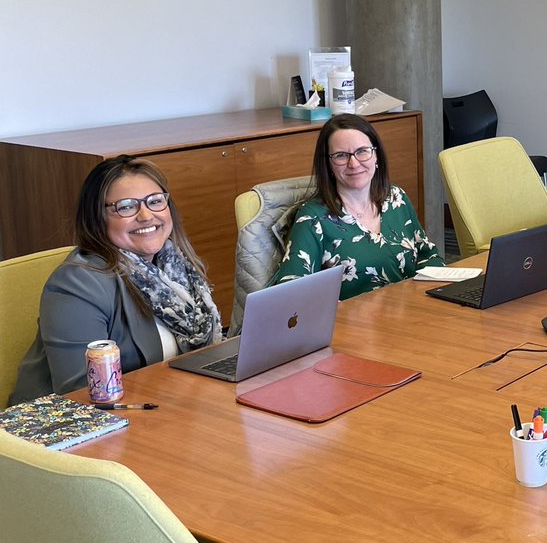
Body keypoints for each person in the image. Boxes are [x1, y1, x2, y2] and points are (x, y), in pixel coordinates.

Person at [13, 157, 221, 404]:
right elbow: (81, 395)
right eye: (126, 207)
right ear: (97, 218)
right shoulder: (76, 285)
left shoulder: (176, 267)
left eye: (155, 201)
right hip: (67, 428)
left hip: (166, 408)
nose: (146, 216)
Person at [271, 113, 444, 300]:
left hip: (413, 315)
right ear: (328, 164)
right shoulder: (313, 219)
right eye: (341, 156)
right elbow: (291, 293)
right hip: (353, 326)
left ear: (376, 155)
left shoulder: (396, 198)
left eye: (362, 151)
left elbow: (428, 256)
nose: (354, 163)